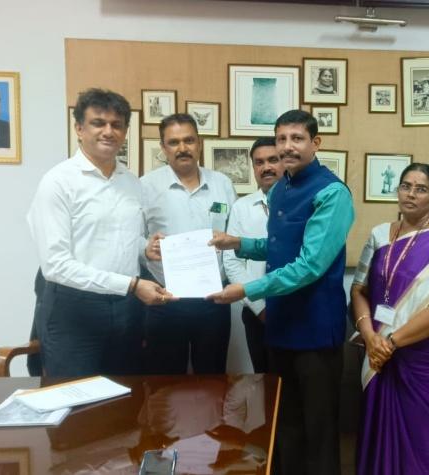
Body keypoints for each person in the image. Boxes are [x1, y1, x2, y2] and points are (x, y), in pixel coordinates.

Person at [207, 109, 355, 475]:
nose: (288, 147)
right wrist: (238, 243)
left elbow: (309, 265)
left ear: (315, 143)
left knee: (318, 429)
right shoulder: (282, 187)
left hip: (315, 331)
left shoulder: (332, 193)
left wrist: (246, 289)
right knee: (284, 421)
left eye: (297, 138)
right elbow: (279, 247)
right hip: (281, 327)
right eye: (281, 139)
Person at [27, 88, 173, 377]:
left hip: (127, 311)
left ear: (125, 132)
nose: (108, 131)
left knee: (125, 396)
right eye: (98, 123)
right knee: (76, 400)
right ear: (79, 128)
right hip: (74, 311)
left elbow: (120, 237)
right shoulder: (58, 182)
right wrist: (131, 285)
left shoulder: (131, 182)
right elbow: (55, 265)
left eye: (117, 125)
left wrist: (144, 248)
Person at [351, 163, 429, 474]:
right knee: (380, 442)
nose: (411, 194)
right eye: (405, 186)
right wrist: (370, 337)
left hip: (428, 364)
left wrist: (390, 342)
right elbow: (358, 290)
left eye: (421, 189)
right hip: (379, 357)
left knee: (425, 448)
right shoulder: (379, 235)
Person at [140, 113, 237, 374]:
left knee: (212, 378)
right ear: (163, 147)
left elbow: (234, 235)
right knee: (165, 384)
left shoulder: (222, 184)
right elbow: (134, 239)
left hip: (214, 300)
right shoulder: (145, 187)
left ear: (199, 143)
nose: (182, 148)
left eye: (189, 140)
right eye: (173, 142)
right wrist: (145, 247)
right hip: (165, 301)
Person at [223, 137, 285, 373]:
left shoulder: (302, 205)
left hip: (293, 311)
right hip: (255, 312)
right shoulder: (242, 207)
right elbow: (232, 261)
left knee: (291, 382)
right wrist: (260, 308)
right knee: (262, 379)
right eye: (259, 162)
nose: (266, 167)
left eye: (273, 160)